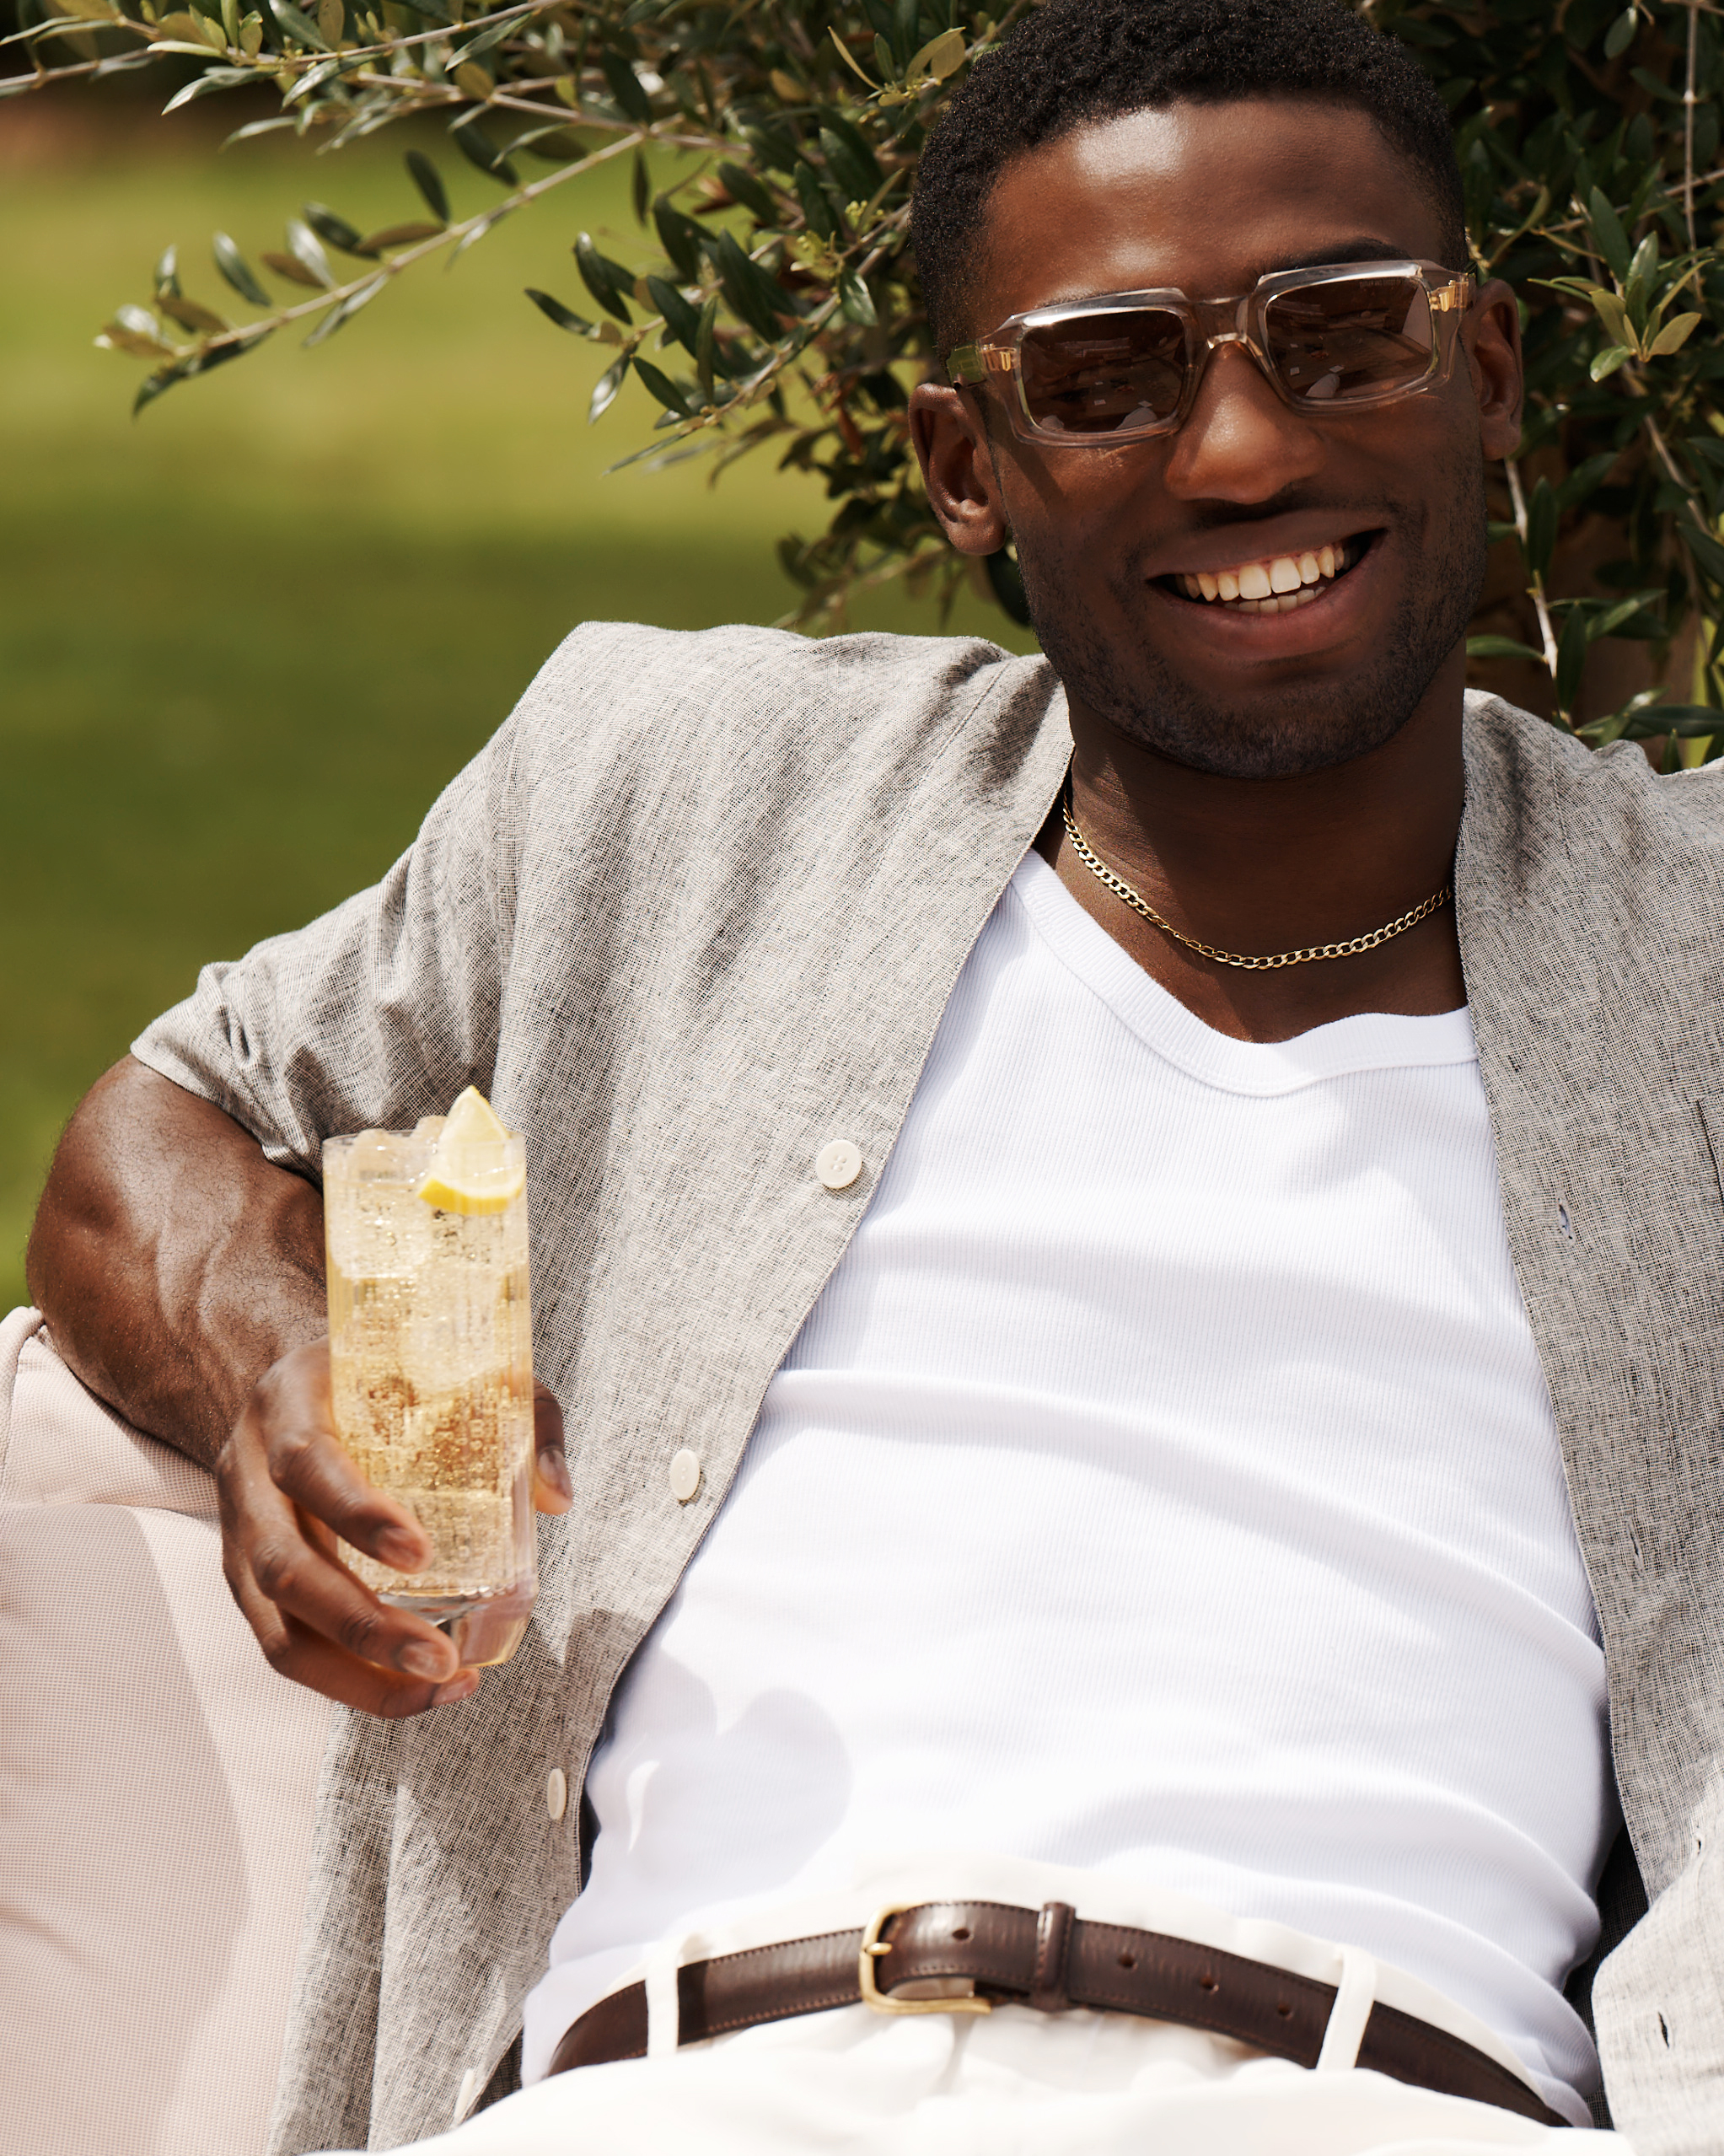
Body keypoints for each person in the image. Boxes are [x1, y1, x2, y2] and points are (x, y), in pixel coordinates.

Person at [27, 0, 1724, 2148]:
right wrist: (283, 1344)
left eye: (1344, 333)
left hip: (1367, 2098)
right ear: (960, 469)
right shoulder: (687, 792)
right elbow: (158, 1121)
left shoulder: (1696, 950)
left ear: (1483, 380)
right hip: (677, 2096)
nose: (1239, 453)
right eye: (1100, 379)